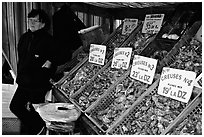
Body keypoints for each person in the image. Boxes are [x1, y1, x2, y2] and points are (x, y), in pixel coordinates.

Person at [9, 9, 56, 135]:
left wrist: (50, 61)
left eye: (35, 21)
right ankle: (39, 129)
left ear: (43, 24)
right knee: (15, 106)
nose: (32, 23)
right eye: (30, 20)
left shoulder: (48, 40)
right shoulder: (25, 38)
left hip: (38, 83)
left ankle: (40, 130)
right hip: (24, 81)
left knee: (33, 108)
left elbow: (60, 56)